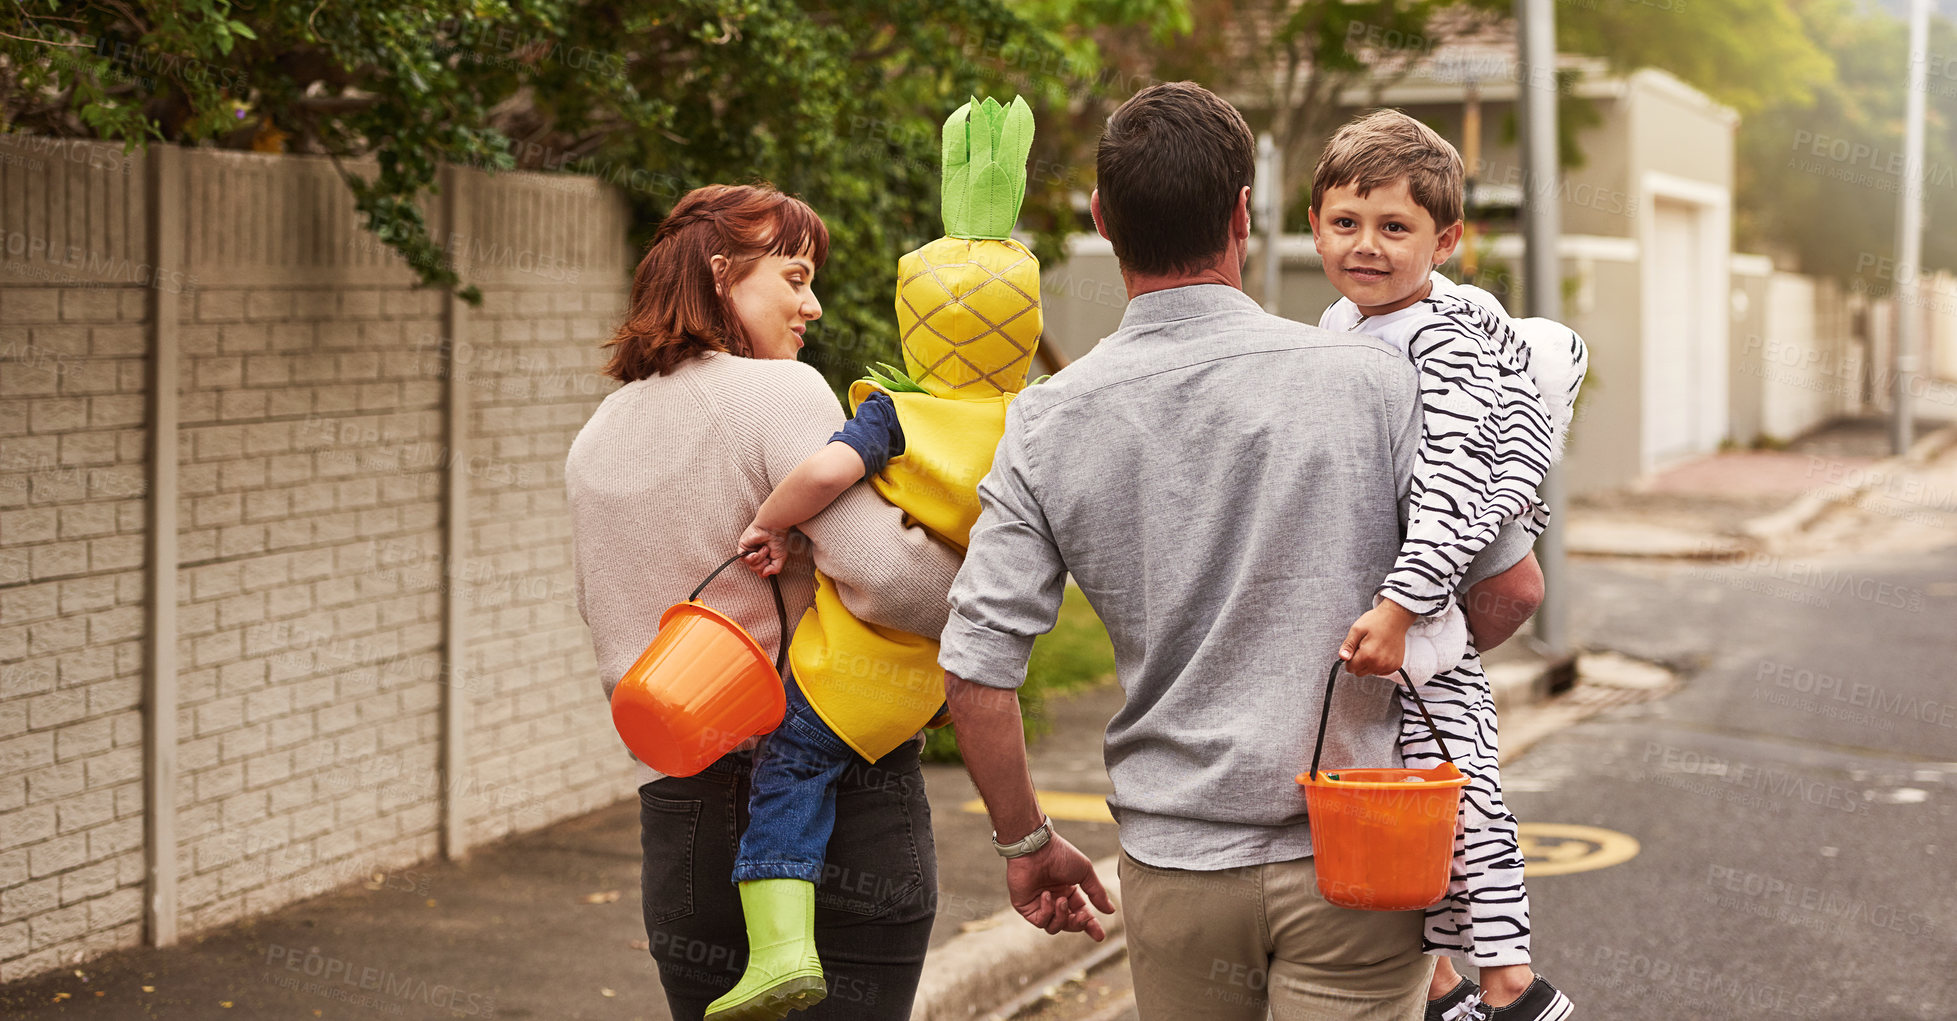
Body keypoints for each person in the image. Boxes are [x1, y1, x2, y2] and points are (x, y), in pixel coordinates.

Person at [939, 82, 1546, 1021]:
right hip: (1358, 849)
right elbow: (1511, 590)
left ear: (1101, 220)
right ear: (1244, 215)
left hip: (1175, 863)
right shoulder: (1376, 380)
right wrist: (1399, 657)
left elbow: (976, 669)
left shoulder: (1046, 420)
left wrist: (1027, 843)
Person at [564, 183, 963, 1021]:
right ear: (721, 274)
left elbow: (600, 613)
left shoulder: (598, 429)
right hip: (832, 806)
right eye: (794, 277)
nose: (810, 305)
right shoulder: (778, 393)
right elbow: (893, 581)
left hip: (679, 819)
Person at [714, 95, 1047, 1021]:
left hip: (852, 667)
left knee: (790, 769)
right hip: (949, 678)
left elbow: (825, 471)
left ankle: (780, 949)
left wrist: (773, 524)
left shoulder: (898, 413)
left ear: (917, 323)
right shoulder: (1034, 423)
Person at [1311, 109, 1584, 1021]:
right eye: (1345, 222)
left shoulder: (1441, 342)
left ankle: (1513, 988)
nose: (1366, 246)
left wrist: (1398, 605)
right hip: (1384, 617)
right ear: (1313, 223)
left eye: (1395, 228)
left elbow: (1459, 490)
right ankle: (1436, 983)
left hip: (1418, 610)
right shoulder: (1344, 322)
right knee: (1399, 810)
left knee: (1457, 795)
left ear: (1447, 239)